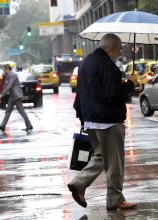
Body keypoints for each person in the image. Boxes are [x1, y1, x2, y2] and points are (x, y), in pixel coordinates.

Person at [68, 33, 138, 211]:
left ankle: (80, 183)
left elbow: (80, 95)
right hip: (109, 121)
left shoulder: (85, 63)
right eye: (120, 48)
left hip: (91, 120)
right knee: (114, 161)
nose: (120, 52)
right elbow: (113, 95)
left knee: (100, 157)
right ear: (112, 48)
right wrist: (130, 84)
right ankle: (112, 198)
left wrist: (82, 117)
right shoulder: (110, 67)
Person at [0, 64, 33, 133]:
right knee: (8, 111)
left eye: (4, 69)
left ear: (7, 69)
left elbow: (9, 86)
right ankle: (3, 126)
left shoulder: (12, 75)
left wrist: (1, 94)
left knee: (21, 111)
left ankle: (29, 125)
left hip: (16, 95)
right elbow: (6, 85)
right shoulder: (8, 75)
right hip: (13, 95)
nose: (3, 71)